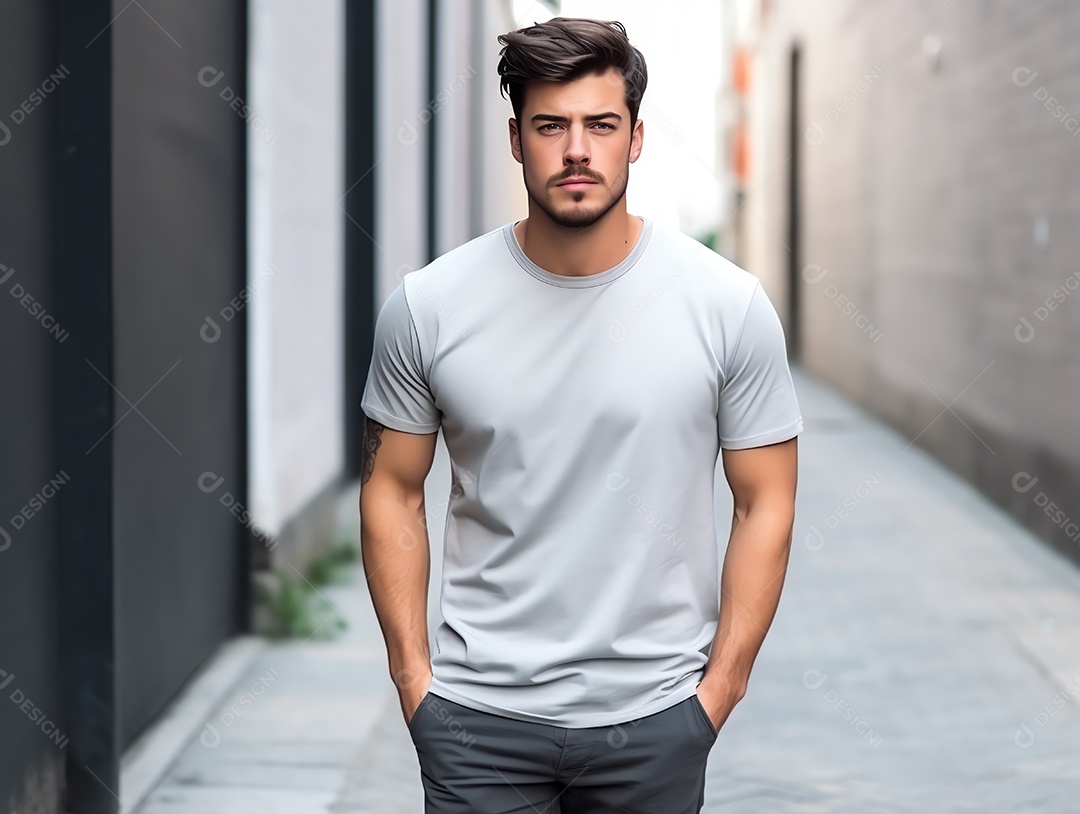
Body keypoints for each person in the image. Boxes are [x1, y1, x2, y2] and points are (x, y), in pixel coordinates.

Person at [358, 16, 803, 814]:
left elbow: (765, 501)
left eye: (600, 125)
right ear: (515, 139)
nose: (575, 150)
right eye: (549, 126)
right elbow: (391, 489)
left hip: (654, 721)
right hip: (477, 723)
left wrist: (718, 693)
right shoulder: (429, 306)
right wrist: (414, 681)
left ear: (636, 138)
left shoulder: (726, 307)